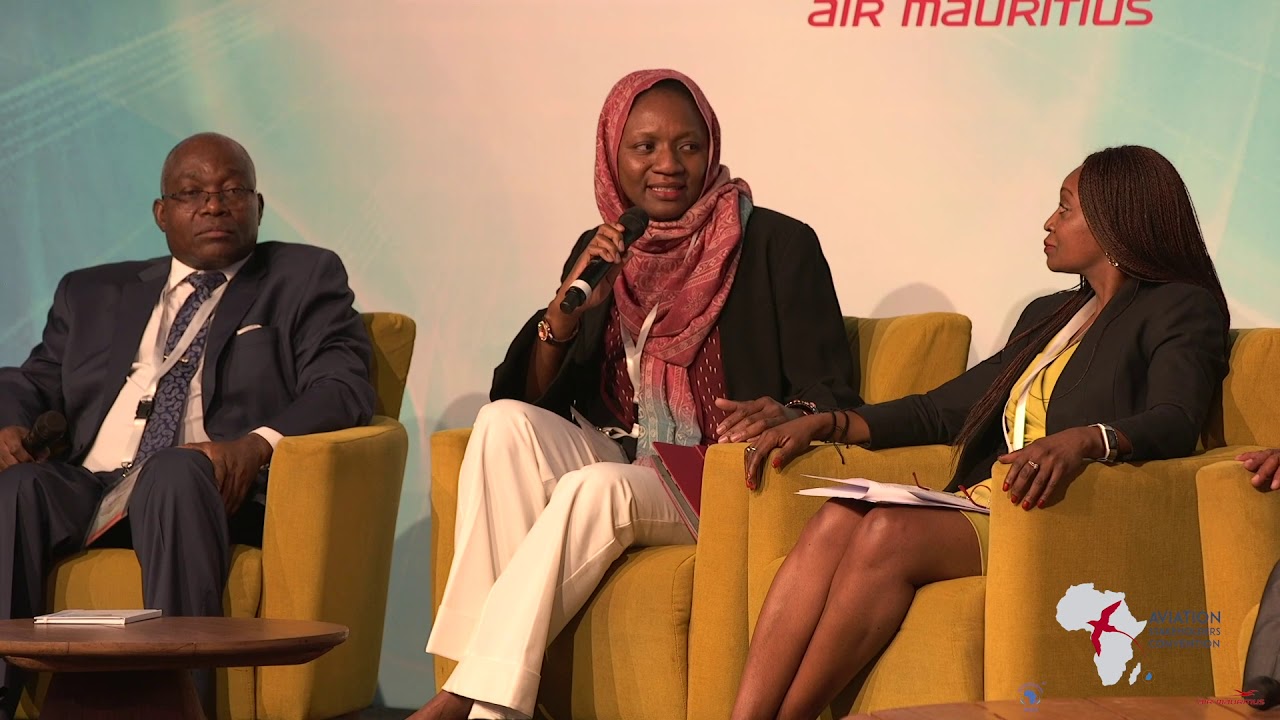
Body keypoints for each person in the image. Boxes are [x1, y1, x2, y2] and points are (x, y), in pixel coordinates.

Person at [417, 69, 860, 720]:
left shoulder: (777, 244)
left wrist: (787, 412)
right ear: (612, 155)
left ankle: (467, 698)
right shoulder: (603, 250)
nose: (668, 165)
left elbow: (832, 391)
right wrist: (565, 313)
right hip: (623, 452)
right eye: (645, 147)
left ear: (711, 148)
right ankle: (492, 694)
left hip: (716, 477)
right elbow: (534, 397)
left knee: (594, 488)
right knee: (503, 425)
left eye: (688, 146)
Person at [731, 145, 1231, 720]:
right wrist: (828, 422)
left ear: (1114, 220)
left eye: (1065, 208)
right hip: (986, 499)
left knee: (887, 532)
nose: (1048, 223)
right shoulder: (1049, 314)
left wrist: (1090, 438)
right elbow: (941, 410)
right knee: (835, 518)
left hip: (1052, 514)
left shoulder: (1179, 308)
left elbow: (1175, 418)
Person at [0, 132, 374, 718]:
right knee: (20, 486)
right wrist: (8, 423)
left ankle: (181, 705)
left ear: (258, 206)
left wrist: (255, 446)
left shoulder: (302, 277)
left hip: (206, 484)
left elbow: (343, 385)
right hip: (92, 484)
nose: (214, 205)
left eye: (232, 191)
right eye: (192, 193)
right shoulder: (91, 291)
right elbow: (31, 379)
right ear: (161, 212)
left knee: (174, 470)